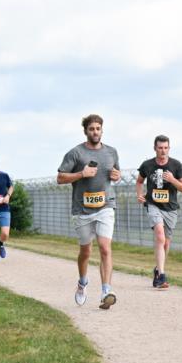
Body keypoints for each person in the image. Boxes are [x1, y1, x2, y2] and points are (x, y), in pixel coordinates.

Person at [57, 114, 121, 309]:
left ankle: (106, 291)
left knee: (104, 247)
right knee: (86, 251)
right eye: (92, 129)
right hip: (82, 209)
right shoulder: (75, 153)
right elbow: (60, 178)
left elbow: (116, 174)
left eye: (98, 129)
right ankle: (82, 282)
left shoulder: (111, 152)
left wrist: (117, 175)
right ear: (86, 131)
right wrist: (80, 174)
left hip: (106, 206)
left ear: (102, 130)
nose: (95, 132)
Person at [136, 135, 182, 289]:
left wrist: (172, 180)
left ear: (169, 148)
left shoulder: (176, 165)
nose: (163, 151)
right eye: (160, 148)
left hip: (170, 208)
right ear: (155, 148)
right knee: (160, 235)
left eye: (166, 148)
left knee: (165, 243)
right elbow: (139, 181)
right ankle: (162, 276)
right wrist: (139, 195)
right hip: (153, 205)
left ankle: (158, 269)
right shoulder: (147, 165)